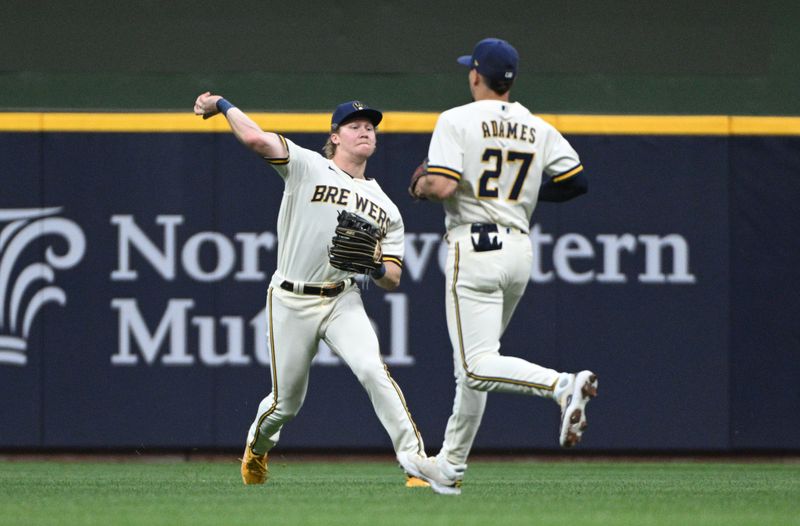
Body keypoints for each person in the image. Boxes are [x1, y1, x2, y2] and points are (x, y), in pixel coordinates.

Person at [193, 93, 432, 488]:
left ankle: (416, 464)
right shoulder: (307, 165)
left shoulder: (387, 207)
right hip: (290, 297)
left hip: (342, 297)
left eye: (370, 127)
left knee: (374, 370)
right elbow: (256, 139)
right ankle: (257, 446)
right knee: (286, 404)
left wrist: (372, 265)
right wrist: (222, 104)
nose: (365, 131)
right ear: (334, 136)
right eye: (354, 126)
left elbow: (392, 277)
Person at [408, 38, 599, 495]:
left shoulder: (456, 119)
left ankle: (562, 385)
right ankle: (450, 466)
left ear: (476, 75)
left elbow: (442, 185)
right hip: (518, 250)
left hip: (474, 245)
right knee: (476, 364)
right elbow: (576, 182)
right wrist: (524, 197)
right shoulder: (537, 127)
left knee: (476, 366)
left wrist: (417, 185)